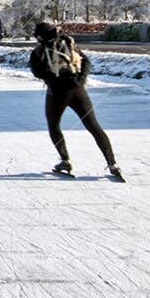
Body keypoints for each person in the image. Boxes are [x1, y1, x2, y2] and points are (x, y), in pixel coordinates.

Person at [28, 22, 123, 181]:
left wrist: (52, 79)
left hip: (57, 92)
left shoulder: (39, 51)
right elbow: (86, 62)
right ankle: (112, 163)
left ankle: (65, 160)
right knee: (94, 126)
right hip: (78, 90)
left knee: (54, 125)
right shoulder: (69, 42)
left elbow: (37, 72)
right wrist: (80, 80)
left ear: (39, 37)